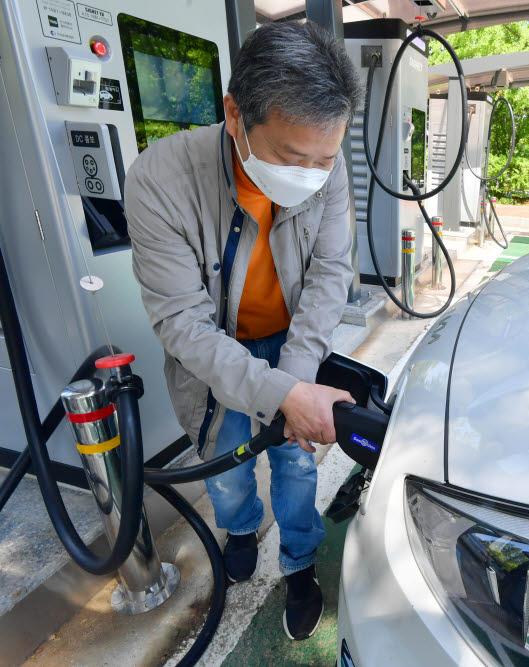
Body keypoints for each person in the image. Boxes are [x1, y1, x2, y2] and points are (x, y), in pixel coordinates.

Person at [124, 21, 362, 640]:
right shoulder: (159, 180)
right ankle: (237, 529)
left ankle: (300, 563)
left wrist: (295, 382)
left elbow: (332, 270)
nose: (312, 173)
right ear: (235, 114)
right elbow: (181, 322)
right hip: (214, 358)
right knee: (225, 467)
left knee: (297, 466)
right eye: (290, 157)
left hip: (293, 348)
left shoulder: (326, 166)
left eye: (325, 159)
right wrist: (277, 396)